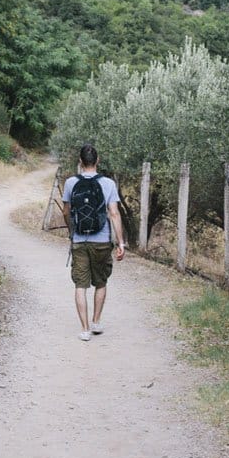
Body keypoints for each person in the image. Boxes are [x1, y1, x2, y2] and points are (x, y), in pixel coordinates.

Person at [62, 143, 126, 341]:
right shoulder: (108, 183)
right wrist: (121, 242)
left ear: (80, 162)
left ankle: (84, 329)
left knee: (80, 285)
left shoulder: (71, 182)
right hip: (102, 241)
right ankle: (96, 321)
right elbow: (114, 213)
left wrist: (72, 230)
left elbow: (66, 211)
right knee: (101, 282)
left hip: (80, 241)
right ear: (98, 161)